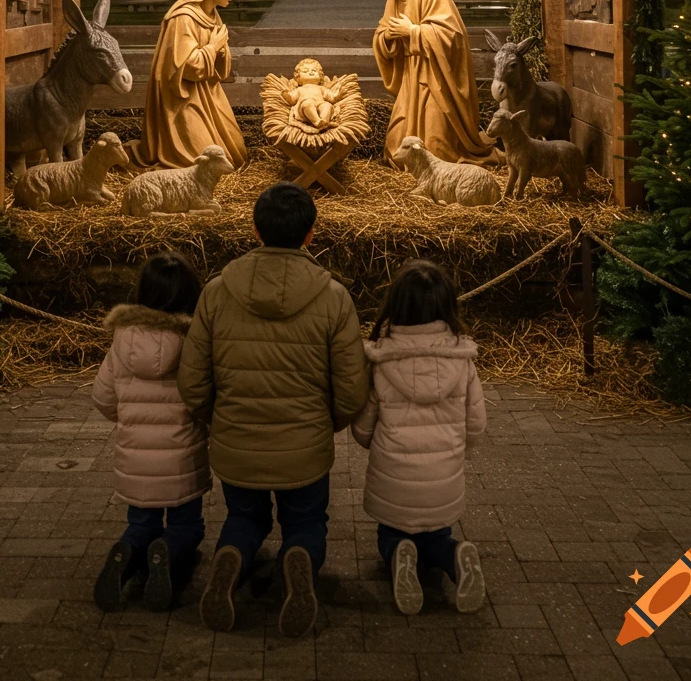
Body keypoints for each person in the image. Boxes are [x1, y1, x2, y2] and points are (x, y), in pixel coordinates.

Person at [178, 183, 369, 638]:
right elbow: (351, 389)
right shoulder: (334, 297)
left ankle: (232, 558)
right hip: (305, 449)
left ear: (254, 228)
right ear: (311, 235)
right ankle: (298, 558)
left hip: (237, 445)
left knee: (245, 517)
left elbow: (192, 382)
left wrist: (217, 419)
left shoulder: (217, 292)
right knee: (305, 520)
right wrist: (325, 424)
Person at [352, 259, 487, 616]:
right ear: (447, 306)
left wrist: (370, 439)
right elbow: (476, 425)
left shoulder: (381, 361)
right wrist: (455, 450)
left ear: (395, 306)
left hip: (394, 478)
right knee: (437, 535)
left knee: (392, 533)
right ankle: (454, 557)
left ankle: (398, 554)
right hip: (444, 481)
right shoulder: (463, 360)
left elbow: (363, 429)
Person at [92, 252, 210, 613]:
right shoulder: (195, 342)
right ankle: (171, 550)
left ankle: (131, 549)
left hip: (135, 457)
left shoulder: (123, 340)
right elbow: (204, 398)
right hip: (182, 456)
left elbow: (102, 397)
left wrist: (127, 419)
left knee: (141, 521)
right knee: (186, 524)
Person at [365, 0, 497, 166]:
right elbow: (382, 33)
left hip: (437, 79)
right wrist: (387, 37)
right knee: (396, 152)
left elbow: (452, 36)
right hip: (411, 77)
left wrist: (412, 31)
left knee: (438, 153)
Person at [126, 0, 247, 171]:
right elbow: (188, 67)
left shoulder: (213, 16)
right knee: (203, 161)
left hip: (207, 93)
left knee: (236, 153)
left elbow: (219, 71)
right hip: (181, 99)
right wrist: (213, 46)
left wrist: (220, 50)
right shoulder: (183, 18)